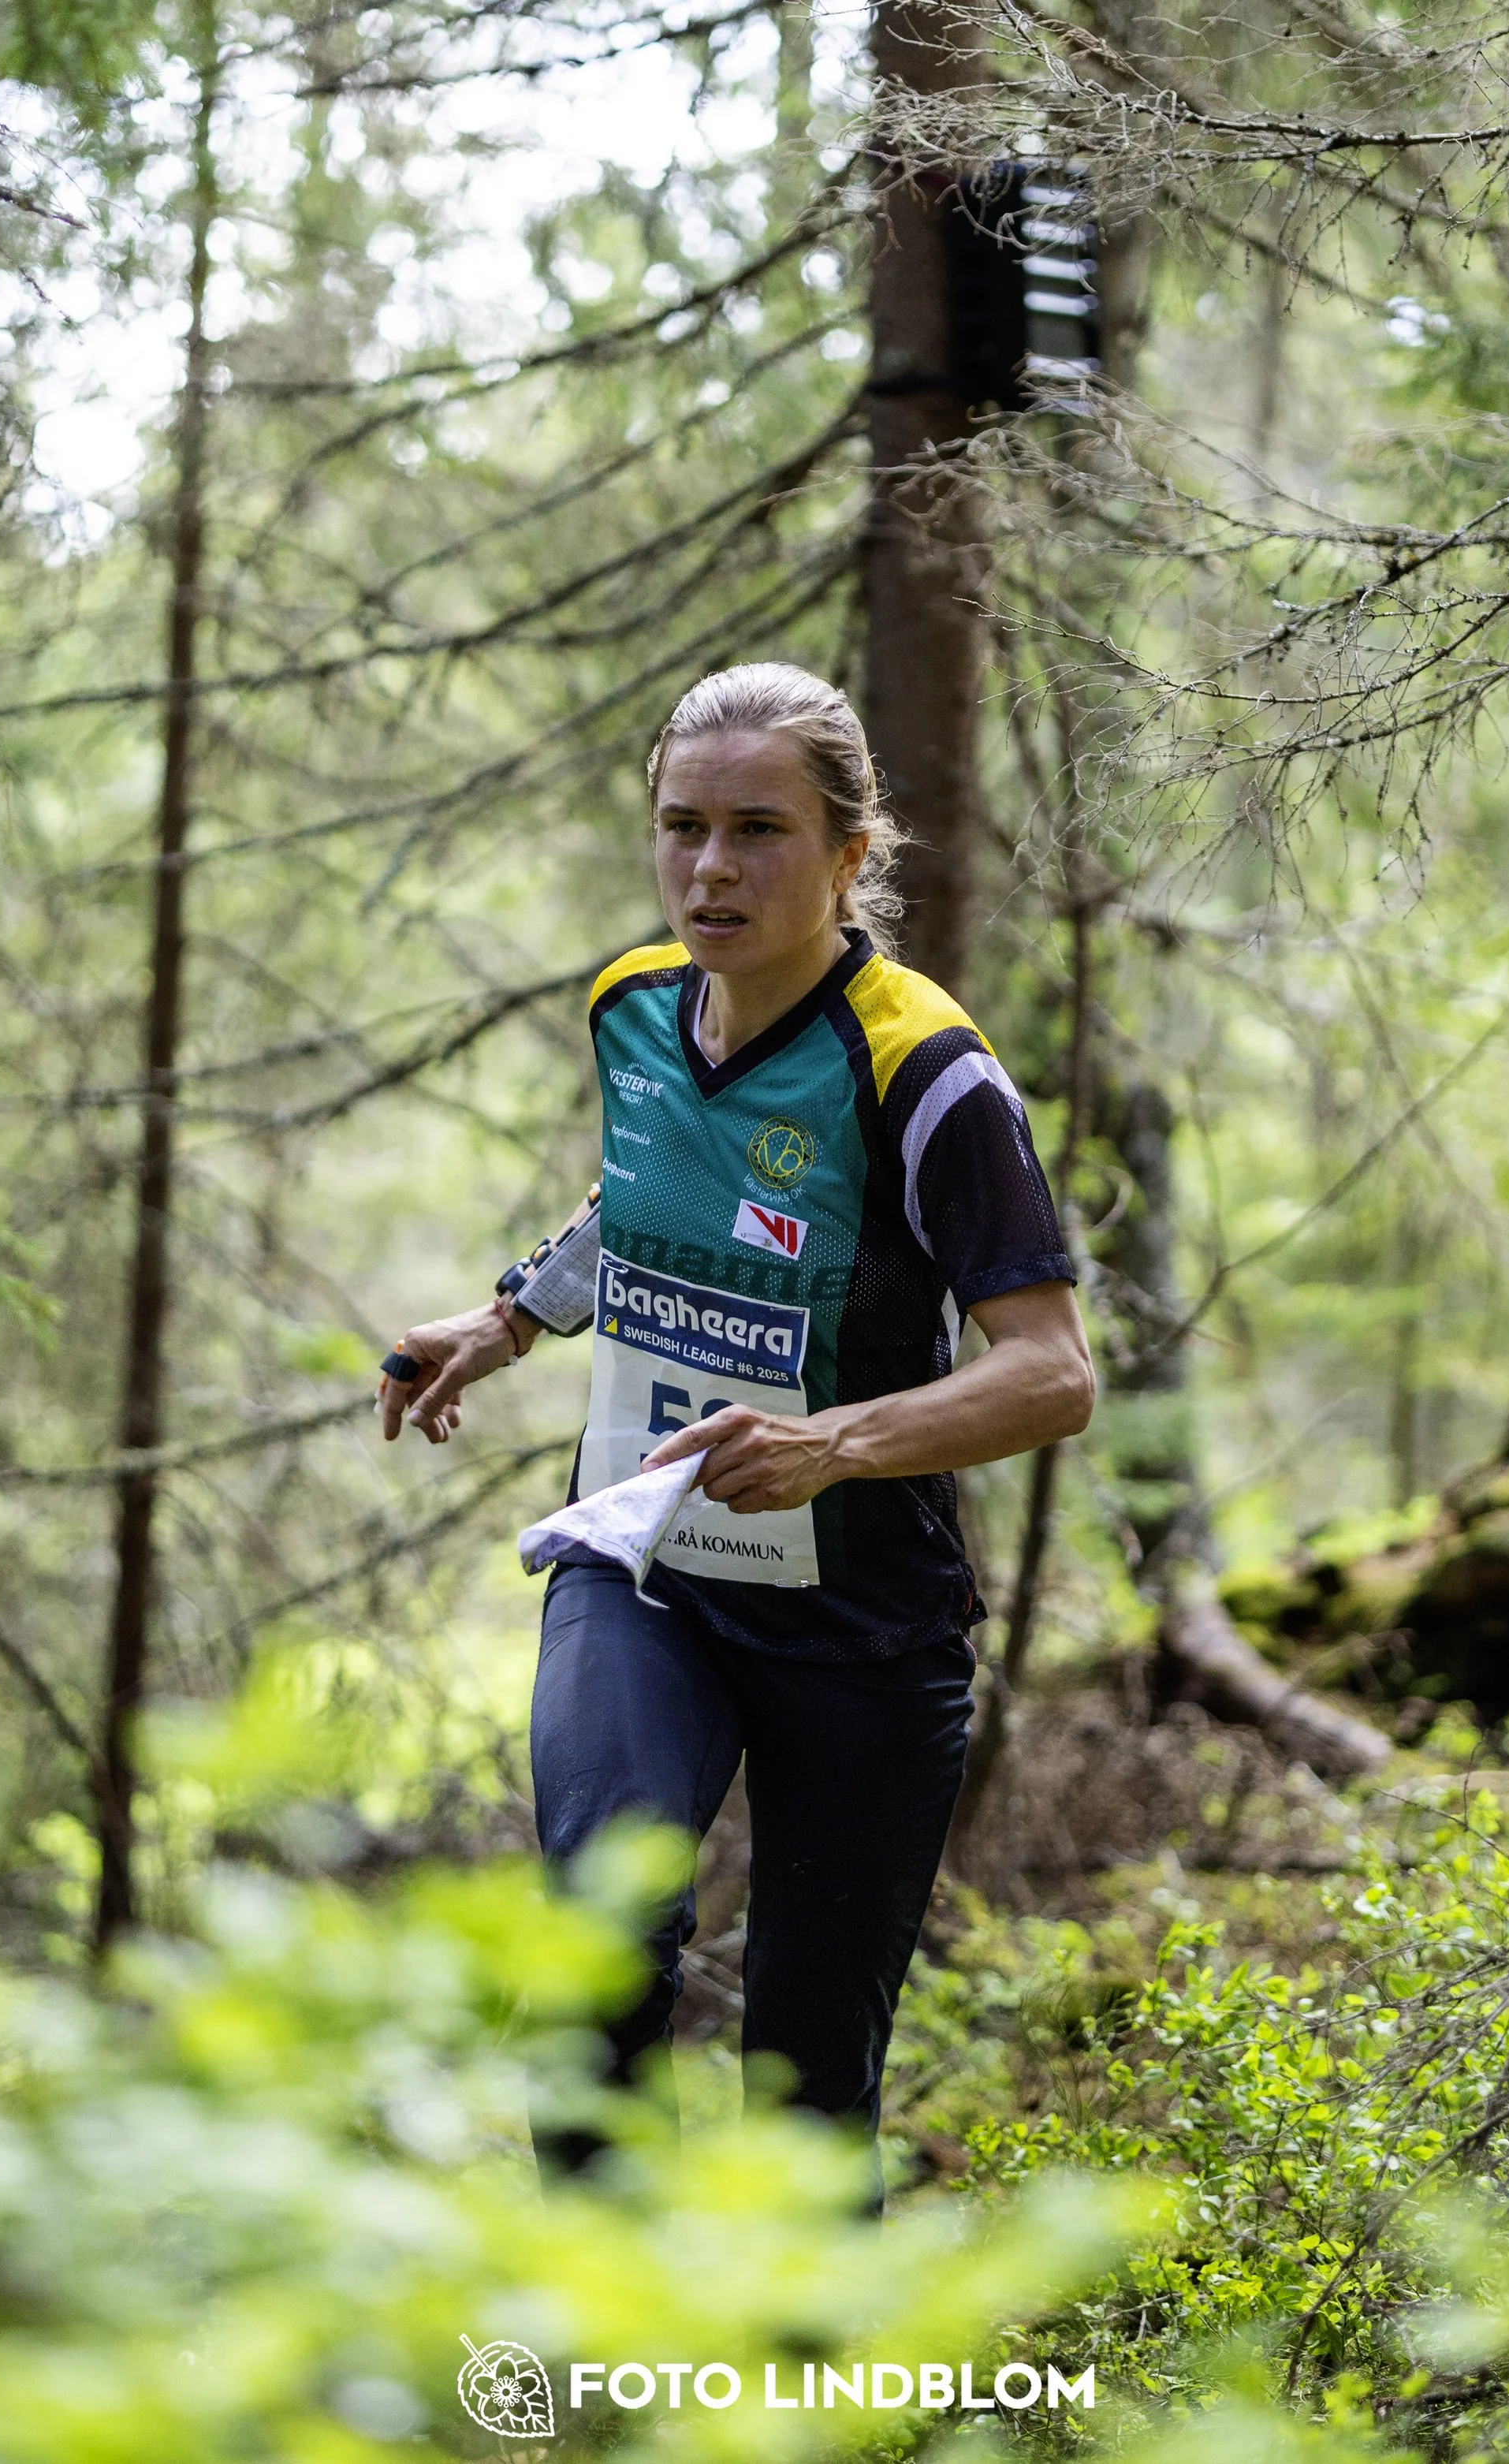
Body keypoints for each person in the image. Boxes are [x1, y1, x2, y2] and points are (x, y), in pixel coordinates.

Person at [379, 662, 1094, 2201]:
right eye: (681, 825)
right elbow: (637, 1196)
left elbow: (1049, 1373)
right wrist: (503, 1320)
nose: (711, 867)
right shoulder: (631, 1006)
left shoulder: (923, 1071)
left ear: (849, 852)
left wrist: (832, 1442)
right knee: (592, 1935)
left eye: (758, 830)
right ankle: (583, 2361)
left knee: (803, 2086)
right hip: (645, 1569)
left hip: (860, 1620)